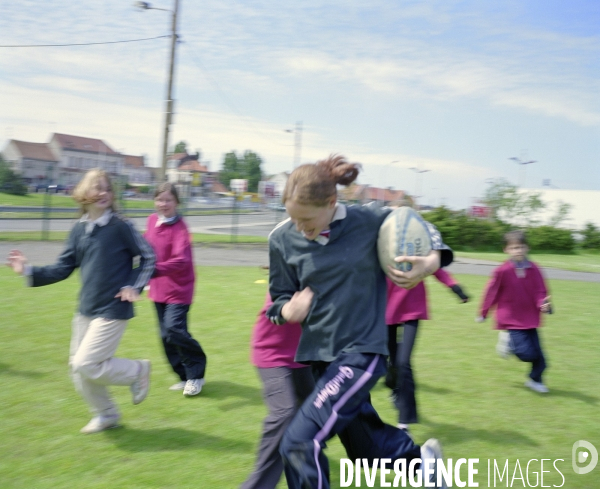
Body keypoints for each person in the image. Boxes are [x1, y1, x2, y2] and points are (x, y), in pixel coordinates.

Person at [267, 155, 454, 489]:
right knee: (365, 450)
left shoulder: (369, 220)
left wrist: (430, 263)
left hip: (361, 353)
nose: (300, 228)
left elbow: (424, 230)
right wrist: (286, 311)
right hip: (320, 359)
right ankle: (423, 465)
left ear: (331, 201)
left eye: (307, 219)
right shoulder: (281, 240)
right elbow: (278, 298)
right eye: (293, 219)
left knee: (299, 442)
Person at [6, 169, 156, 434]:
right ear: (83, 194)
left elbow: (148, 257)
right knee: (78, 370)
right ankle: (106, 414)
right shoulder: (78, 230)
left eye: (107, 189)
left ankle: (137, 371)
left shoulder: (120, 226)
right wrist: (28, 270)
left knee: (85, 364)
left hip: (114, 307)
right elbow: (63, 268)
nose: (103, 193)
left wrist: (134, 285)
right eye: (97, 188)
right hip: (86, 308)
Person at [241, 292, 315, 489]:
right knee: (284, 412)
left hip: (304, 356)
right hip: (271, 353)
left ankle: (300, 463)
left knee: (319, 414)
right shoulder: (287, 274)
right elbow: (282, 308)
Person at [385, 268, 469, 434]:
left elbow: (433, 266)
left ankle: (404, 423)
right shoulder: (382, 245)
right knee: (392, 364)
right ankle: (393, 386)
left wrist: (454, 286)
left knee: (403, 363)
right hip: (386, 308)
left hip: (412, 308)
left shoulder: (417, 245)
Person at [144, 182, 207, 397]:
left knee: (174, 329)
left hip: (179, 289)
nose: (163, 204)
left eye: (168, 200)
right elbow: (146, 247)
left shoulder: (181, 228)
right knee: (165, 336)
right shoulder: (152, 221)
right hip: (158, 288)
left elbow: (181, 260)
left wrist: (152, 269)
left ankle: (196, 374)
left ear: (176, 202)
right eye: (160, 199)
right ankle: (184, 376)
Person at [476, 230, 552, 393]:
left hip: (530, 317)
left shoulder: (534, 268)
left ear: (527, 248)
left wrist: (543, 304)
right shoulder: (502, 271)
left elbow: (541, 291)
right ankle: (508, 340)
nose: (518, 250)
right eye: (514, 247)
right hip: (512, 319)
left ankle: (535, 380)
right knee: (526, 354)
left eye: (521, 247)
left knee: (541, 358)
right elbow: (492, 292)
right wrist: (483, 312)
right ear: (506, 250)